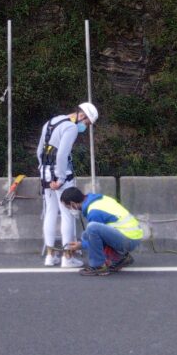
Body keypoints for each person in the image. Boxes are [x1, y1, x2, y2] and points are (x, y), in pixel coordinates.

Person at [37, 102, 99, 267]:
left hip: (45, 173)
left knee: (50, 211)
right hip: (60, 175)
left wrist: (44, 172)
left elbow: (39, 151)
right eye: (87, 123)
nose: (85, 127)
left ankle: (50, 256)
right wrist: (61, 178)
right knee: (67, 214)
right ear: (82, 116)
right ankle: (68, 257)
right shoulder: (71, 128)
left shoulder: (52, 121)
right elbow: (62, 155)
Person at [60, 187, 142, 276]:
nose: (70, 210)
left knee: (92, 228)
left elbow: (96, 239)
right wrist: (82, 243)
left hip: (128, 239)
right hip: (132, 235)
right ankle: (120, 258)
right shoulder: (97, 199)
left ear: (73, 204)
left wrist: (81, 245)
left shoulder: (94, 212)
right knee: (86, 235)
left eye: (68, 207)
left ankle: (98, 266)